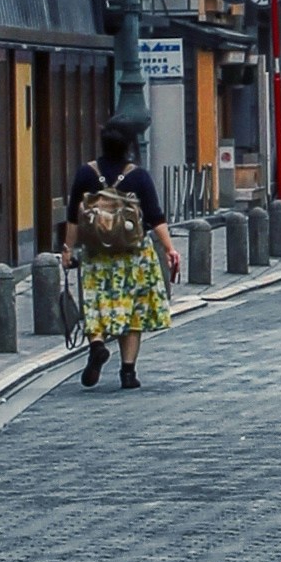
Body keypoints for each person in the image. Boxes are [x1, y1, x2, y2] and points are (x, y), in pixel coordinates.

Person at [64, 125, 175, 387]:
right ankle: (128, 372)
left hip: (97, 254)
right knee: (133, 310)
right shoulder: (139, 177)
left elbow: (73, 218)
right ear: (129, 146)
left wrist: (68, 250)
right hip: (133, 256)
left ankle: (97, 345)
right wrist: (170, 248)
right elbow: (155, 217)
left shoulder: (86, 173)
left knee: (96, 303)